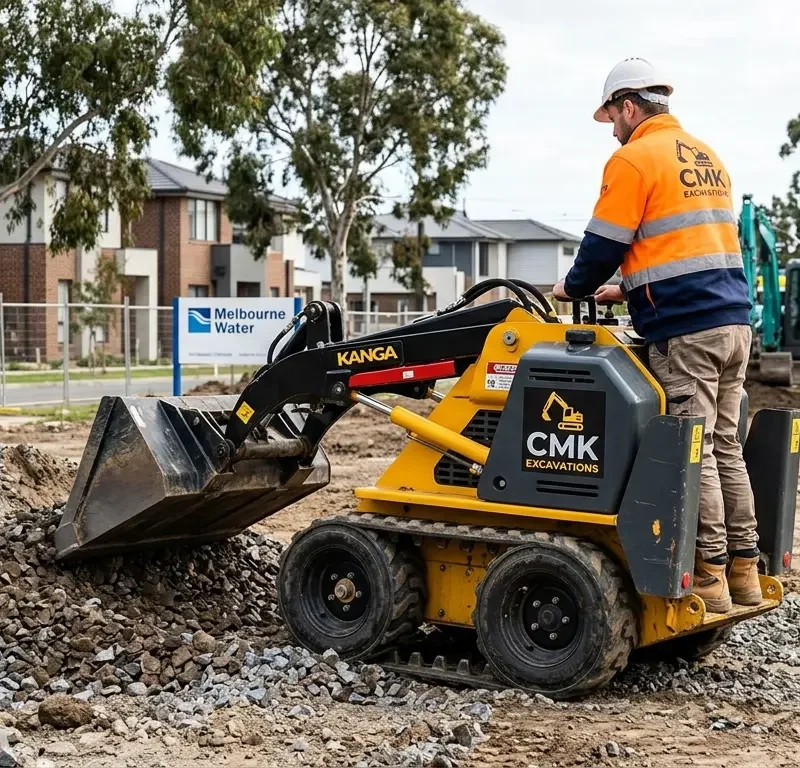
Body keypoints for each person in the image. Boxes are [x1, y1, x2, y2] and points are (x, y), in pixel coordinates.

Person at [551, 57, 758, 614]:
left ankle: (709, 574)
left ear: (628, 106)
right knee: (723, 446)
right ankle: (745, 570)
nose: (612, 131)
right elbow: (686, 250)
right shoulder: (706, 156)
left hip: (688, 331)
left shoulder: (634, 158)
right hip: (732, 322)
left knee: (697, 454)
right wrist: (629, 289)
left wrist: (576, 286)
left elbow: (603, 244)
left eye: (612, 118)